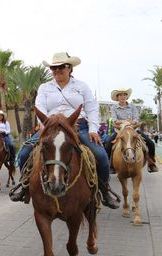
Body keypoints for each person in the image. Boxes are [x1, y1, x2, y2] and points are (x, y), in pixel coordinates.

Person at [10, 52, 120, 209]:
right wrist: (45, 128)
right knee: (24, 154)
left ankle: (104, 190)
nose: (57, 70)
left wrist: (93, 129)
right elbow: (40, 107)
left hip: (77, 126)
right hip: (51, 127)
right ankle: (25, 186)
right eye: (54, 68)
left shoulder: (82, 86)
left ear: (70, 68)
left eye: (61, 67)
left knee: (101, 155)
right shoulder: (44, 88)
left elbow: (91, 108)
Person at [104, 88, 158, 172]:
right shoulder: (113, 108)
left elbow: (136, 119)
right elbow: (115, 120)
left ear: (127, 96)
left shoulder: (133, 107)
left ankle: (151, 163)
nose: (122, 96)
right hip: (120, 130)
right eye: (120, 95)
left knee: (150, 143)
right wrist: (126, 121)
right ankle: (109, 164)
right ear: (117, 97)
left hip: (133, 130)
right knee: (108, 143)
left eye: (124, 94)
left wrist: (131, 122)